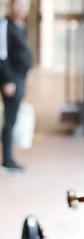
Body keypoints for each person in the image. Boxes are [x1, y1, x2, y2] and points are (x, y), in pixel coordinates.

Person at [0, 0, 31, 172]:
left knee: (13, 119)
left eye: (25, 5)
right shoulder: (5, 25)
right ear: (11, 6)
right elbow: (1, 55)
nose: (21, 9)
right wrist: (7, 80)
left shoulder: (21, 26)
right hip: (11, 80)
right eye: (18, 5)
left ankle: (10, 157)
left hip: (20, 79)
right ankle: (7, 160)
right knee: (9, 121)